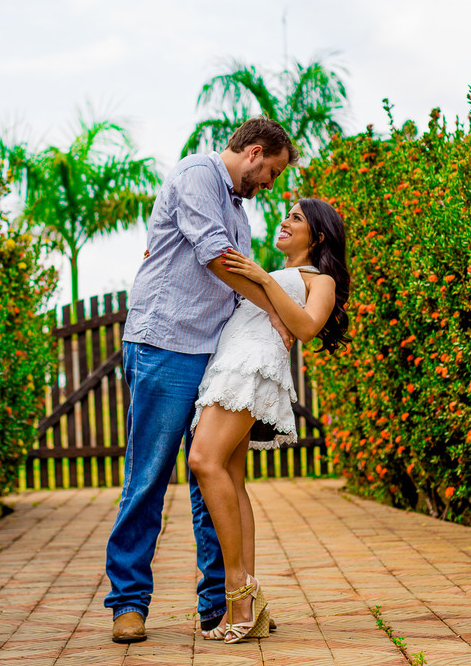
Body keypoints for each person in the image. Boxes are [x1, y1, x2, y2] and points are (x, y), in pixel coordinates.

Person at [106, 118, 299, 644]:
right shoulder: (196, 175)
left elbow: (237, 284)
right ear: (254, 153)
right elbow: (216, 258)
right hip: (165, 344)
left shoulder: (239, 211)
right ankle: (128, 603)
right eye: (273, 172)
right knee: (148, 475)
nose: (271, 185)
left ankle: (220, 604)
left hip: (213, 354)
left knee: (211, 479)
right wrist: (278, 312)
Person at [187, 198, 350, 643]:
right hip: (230, 359)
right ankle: (247, 599)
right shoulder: (281, 274)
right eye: (287, 214)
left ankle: (239, 591)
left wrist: (259, 276)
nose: (285, 220)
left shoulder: (322, 279)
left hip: (253, 364)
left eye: (296, 218)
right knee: (231, 478)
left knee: (204, 461)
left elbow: (307, 327)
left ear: (316, 236)